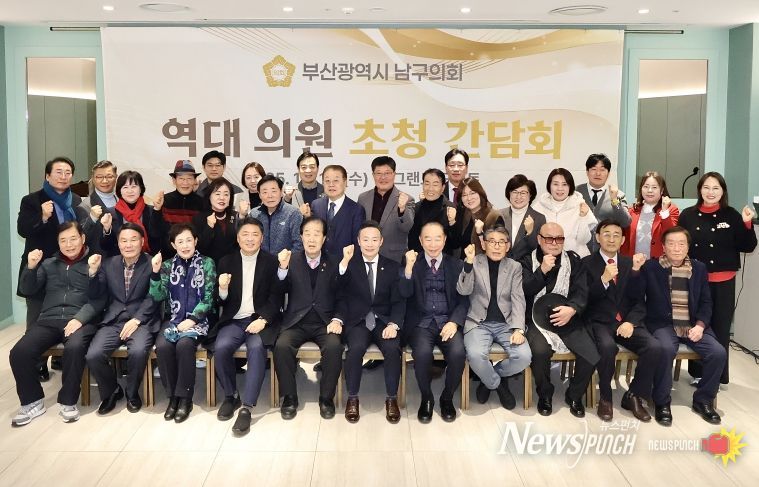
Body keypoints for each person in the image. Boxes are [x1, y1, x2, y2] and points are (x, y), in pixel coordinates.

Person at [629, 226, 727, 425]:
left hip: (692, 324)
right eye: (671, 244)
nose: (676, 248)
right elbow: (635, 295)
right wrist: (636, 271)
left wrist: (700, 325)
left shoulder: (699, 268)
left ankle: (703, 400)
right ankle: (662, 402)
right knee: (665, 349)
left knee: (718, 352)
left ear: (688, 246)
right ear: (663, 247)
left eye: (681, 244)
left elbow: (706, 301)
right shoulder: (651, 267)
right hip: (663, 324)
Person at [9, 222, 104, 426]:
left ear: (82, 238)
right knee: (19, 352)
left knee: (75, 347)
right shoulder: (48, 264)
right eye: (63, 240)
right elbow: (28, 290)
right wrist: (31, 267)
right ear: (58, 243)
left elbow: (99, 299)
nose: (69, 245)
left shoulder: (94, 262)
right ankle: (32, 402)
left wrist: (79, 319)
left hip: (80, 320)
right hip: (49, 320)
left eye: (73, 239)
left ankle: (68, 402)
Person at [17, 156, 94, 381]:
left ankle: (61, 357)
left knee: (67, 311)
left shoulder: (76, 200)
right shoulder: (32, 200)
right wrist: (41, 216)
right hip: (41, 265)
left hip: (69, 265)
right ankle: (37, 364)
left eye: (68, 172)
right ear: (47, 175)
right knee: (37, 318)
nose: (63, 176)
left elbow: (80, 231)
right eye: (58, 172)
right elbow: (23, 229)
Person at [678, 172, 757, 385]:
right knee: (696, 326)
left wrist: (747, 223)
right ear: (700, 190)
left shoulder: (731, 215)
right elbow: (680, 245)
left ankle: (718, 376)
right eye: (706, 187)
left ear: (723, 191)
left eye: (716, 188)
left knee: (720, 328)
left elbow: (748, 246)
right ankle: (698, 373)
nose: (710, 192)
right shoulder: (687, 215)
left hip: (724, 280)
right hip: (695, 280)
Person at [582, 219, 662, 422]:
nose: (611, 239)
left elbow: (639, 299)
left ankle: (634, 395)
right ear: (597, 237)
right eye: (606, 234)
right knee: (608, 347)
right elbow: (583, 299)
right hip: (599, 321)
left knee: (654, 347)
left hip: (625, 322)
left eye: (616, 235)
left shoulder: (630, 264)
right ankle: (605, 398)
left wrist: (630, 322)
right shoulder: (586, 263)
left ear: (623, 240)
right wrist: (603, 280)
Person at [212, 217, 283, 435]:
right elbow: (220, 301)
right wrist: (222, 289)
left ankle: (247, 407)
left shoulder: (271, 262)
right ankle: (231, 396)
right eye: (245, 234)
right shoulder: (226, 262)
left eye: (255, 235)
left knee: (256, 348)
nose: (250, 239)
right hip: (234, 320)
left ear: (262, 238)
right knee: (221, 347)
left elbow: (277, 298)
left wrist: (263, 320)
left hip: (260, 320)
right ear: (238, 238)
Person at [520, 222, 599, 417]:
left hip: (567, 317)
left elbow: (582, 290)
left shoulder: (573, 260)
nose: (554, 243)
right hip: (535, 319)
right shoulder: (526, 261)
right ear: (539, 239)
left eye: (559, 239)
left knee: (590, 353)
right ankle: (545, 394)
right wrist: (542, 271)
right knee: (539, 351)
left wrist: (572, 309)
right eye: (549, 238)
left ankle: (574, 395)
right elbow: (524, 290)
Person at [273, 216, 348, 420]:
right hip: (296, 321)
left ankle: (326, 398)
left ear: (324, 238)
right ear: (301, 237)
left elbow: (343, 296)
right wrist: (282, 269)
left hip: (325, 322)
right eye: (307, 234)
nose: (312, 239)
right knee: (281, 346)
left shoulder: (335, 262)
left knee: (334, 347)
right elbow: (279, 291)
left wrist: (337, 319)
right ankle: (289, 397)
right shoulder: (291, 259)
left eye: (317, 234)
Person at [86, 223, 160, 414]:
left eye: (133, 240)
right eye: (124, 240)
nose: (128, 245)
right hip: (114, 320)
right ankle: (112, 391)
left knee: (138, 351)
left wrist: (137, 320)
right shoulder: (108, 264)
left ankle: (132, 393)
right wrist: (93, 272)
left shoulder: (152, 263)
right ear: (118, 243)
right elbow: (96, 294)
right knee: (93, 355)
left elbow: (154, 297)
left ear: (142, 241)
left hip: (141, 321)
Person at [456, 226, 532, 410]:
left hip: (506, 323)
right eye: (492, 242)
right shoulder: (474, 262)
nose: (497, 246)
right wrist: (468, 263)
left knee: (524, 357)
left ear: (508, 246)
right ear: (483, 244)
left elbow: (518, 299)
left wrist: (518, 329)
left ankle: (488, 379)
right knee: (475, 355)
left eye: (501, 242)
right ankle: (497, 385)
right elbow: (463, 290)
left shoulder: (514, 267)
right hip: (478, 322)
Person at [337, 221, 405, 423]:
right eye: (365, 239)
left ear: (381, 241)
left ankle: (391, 398)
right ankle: (352, 398)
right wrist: (344, 263)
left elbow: (399, 301)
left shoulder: (392, 266)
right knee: (355, 349)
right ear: (358, 241)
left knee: (392, 349)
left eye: (374, 239)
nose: (369, 244)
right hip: (358, 321)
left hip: (383, 321)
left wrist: (394, 324)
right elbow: (338, 290)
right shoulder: (349, 265)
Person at [400, 221, 467, 423]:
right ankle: (426, 397)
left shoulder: (457, 265)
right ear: (420, 241)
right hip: (422, 323)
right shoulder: (412, 262)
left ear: (445, 240)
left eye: (438, 238)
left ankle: (447, 397)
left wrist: (454, 322)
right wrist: (408, 268)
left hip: (447, 322)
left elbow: (464, 300)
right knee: (421, 354)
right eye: (427, 239)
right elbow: (404, 293)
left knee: (458, 353)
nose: (433, 244)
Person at [149, 223, 216, 423]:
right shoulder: (167, 266)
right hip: (173, 319)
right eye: (180, 241)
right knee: (162, 346)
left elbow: (209, 297)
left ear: (196, 241)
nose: (185, 245)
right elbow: (157, 296)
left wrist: (192, 319)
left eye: (189, 240)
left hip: (199, 320)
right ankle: (172, 398)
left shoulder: (207, 263)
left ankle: (185, 398)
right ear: (173, 245)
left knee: (185, 345)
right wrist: (155, 273)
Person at [357, 156, 415, 263]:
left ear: (394, 174)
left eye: (387, 173)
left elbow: (407, 227)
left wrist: (402, 209)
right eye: (378, 173)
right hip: (367, 256)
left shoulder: (406, 199)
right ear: (373, 175)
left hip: (394, 258)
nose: (383, 177)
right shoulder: (363, 198)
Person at [532, 168, 597, 258]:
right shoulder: (539, 206)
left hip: (576, 259)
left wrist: (583, 217)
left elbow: (583, 240)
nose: (560, 189)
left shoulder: (580, 205)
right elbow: (533, 238)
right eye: (555, 184)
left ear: (570, 187)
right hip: (546, 259)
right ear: (549, 185)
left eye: (564, 184)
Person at [576, 154, 631, 253]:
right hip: (580, 251)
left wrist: (615, 201)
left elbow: (625, 222)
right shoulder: (576, 192)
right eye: (593, 169)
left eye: (602, 170)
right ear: (587, 172)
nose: (598, 173)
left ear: (608, 173)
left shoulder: (618, 194)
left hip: (608, 252)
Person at [100, 170, 162, 257]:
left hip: (147, 260)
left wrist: (157, 211)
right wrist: (107, 229)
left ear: (141, 189)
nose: (130, 191)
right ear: (119, 191)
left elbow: (158, 240)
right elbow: (105, 246)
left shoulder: (153, 211)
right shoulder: (110, 213)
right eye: (125, 187)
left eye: (134, 186)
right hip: (118, 261)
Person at [308, 165, 365, 258]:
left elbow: (358, 243)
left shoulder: (356, 209)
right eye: (327, 181)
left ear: (345, 182)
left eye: (336, 180)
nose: (331, 184)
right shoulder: (316, 205)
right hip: (318, 261)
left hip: (345, 262)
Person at [486, 174, 546, 262]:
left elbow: (539, 249)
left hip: (527, 267)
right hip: (501, 265)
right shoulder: (498, 215)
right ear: (509, 194)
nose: (518, 197)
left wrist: (529, 233)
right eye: (515, 192)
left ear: (530, 195)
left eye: (523, 193)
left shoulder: (539, 218)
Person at [621, 171, 679, 259]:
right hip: (634, 262)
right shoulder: (632, 210)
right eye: (646, 187)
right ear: (641, 189)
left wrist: (664, 211)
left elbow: (671, 235)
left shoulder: (670, 210)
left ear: (662, 190)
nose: (650, 191)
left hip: (659, 263)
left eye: (654, 187)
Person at [153, 160, 205, 257]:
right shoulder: (164, 200)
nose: (185, 182)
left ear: (195, 180)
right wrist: (157, 209)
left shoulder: (202, 203)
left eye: (189, 178)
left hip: (195, 258)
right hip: (168, 258)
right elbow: (154, 232)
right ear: (174, 180)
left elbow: (203, 234)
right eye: (181, 178)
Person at [407, 168, 462, 256]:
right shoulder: (416, 208)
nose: (430, 188)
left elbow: (456, 243)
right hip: (420, 260)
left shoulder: (451, 208)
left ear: (443, 188)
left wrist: (452, 223)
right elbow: (412, 240)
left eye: (435, 184)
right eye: (427, 184)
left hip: (445, 261)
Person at [248, 175, 303, 255]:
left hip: (286, 261)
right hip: (260, 261)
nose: (270, 196)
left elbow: (299, 244)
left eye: (273, 191)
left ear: (281, 192)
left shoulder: (293, 213)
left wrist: (286, 258)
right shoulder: (254, 214)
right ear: (259, 195)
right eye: (265, 192)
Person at [192, 177, 239, 264]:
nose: (222, 198)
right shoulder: (199, 218)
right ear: (209, 196)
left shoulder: (236, 216)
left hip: (232, 265)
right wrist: (209, 227)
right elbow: (199, 248)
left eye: (226, 194)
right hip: (209, 267)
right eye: (217, 194)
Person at [458, 177, 499, 258]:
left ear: (480, 193)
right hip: (464, 263)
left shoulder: (493, 217)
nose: (469, 198)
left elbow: (495, 248)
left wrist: (480, 233)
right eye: (464, 195)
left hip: (483, 264)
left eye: (472, 193)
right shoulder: (463, 214)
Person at [79, 160, 119, 230]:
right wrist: (92, 218)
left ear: (116, 177)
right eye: (100, 177)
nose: (105, 181)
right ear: (93, 179)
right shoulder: (85, 205)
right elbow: (82, 233)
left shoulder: (121, 200)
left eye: (109, 177)